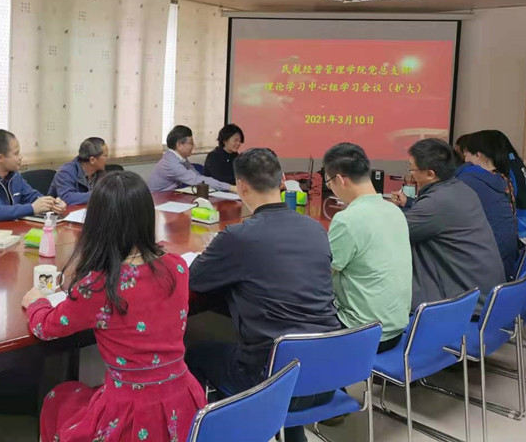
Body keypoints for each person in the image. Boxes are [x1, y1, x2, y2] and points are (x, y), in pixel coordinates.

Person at [22, 171, 205, 442]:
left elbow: (46, 328)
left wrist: (35, 301)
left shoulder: (100, 286)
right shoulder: (176, 267)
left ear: (96, 222)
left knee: (58, 398)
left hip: (129, 413)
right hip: (186, 403)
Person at [187, 148, 340, 442]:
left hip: (270, 381)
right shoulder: (314, 228)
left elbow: (195, 279)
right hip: (327, 375)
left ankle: (225, 429)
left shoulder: (239, 237)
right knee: (284, 345)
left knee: (196, 352)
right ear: (282, 181)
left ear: (241, 186)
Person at [391, 139, 504, 312]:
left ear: (430, 174)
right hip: (482, 293)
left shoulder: (437, 201)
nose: (411, 175)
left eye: (412, 169)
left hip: (466, 304)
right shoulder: (460, 189)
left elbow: (389, 233)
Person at [323, 143, 411, 352]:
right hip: (395, 329)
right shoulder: (394, 211)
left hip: (362, 334)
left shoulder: (347, 220)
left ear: (339, 180)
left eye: (328, 182)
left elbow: (322, 274)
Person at [0, 129, 65, 224]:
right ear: (0, 158)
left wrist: (51, 203)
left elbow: (31, 197)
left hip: (6, 231)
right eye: (16, 153)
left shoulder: (14, 176)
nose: (20, 157)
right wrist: (31, 208)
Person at [457, 131, 519, 280]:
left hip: (483, 263)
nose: (465, 160)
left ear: (478, 155)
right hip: (507, 260)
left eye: (466, 155)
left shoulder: (469, 177)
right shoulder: (505, 178)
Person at [148, 125, 237, 193]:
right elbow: (197, 180)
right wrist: (230, 187)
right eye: (191, 143)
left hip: (170, 196)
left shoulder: (179, 158)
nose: (193, 146)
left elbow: (198, 177)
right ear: (179, 145)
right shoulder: (171, 163)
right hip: (157, 200)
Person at [48, 137, 108, 205]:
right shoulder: (65, 172)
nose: (107, 159)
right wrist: (98, 195)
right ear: (92, 160)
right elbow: (67, 198)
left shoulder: (100, 172)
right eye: (105, 156)